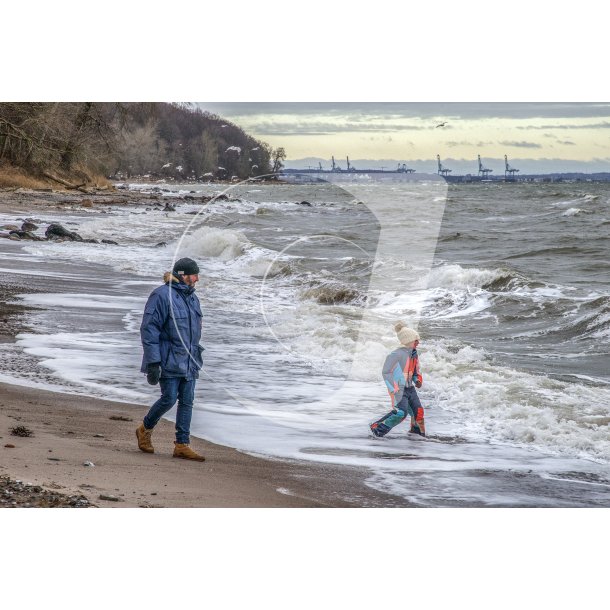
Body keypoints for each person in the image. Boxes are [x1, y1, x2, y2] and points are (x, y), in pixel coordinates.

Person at [136, 257, 206, 461]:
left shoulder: (193, 298)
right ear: (183, 275)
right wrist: (153, 362)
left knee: (187, 400)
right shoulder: (160, 296)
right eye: (194, 275)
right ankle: (145, 429)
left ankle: (182, 445)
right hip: (168, 358)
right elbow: (149, 330)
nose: (197, 279)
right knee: (169, 397)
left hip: (190, 359)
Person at [370, 321, 426, 438]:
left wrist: (417, 380)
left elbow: (416, 372)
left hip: (410, 388)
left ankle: (416, 436)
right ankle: (378, 428)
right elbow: (386, 372)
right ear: (408, 341)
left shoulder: (414, 355)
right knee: (401, 413)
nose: (418, 342)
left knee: (418, 412)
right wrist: (393, 387)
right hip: (398, 389)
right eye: (416, 340)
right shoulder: (395, 355)